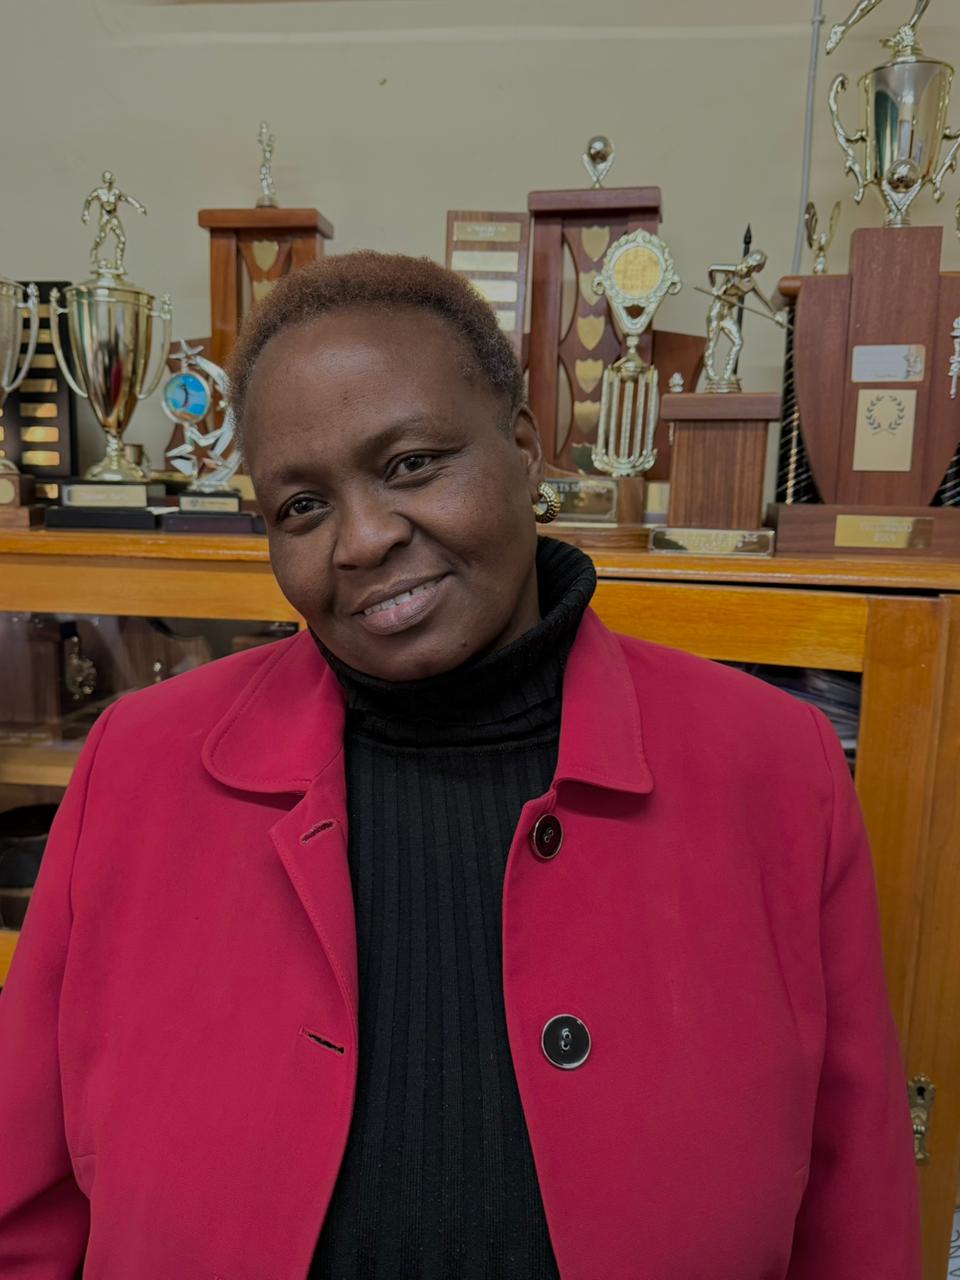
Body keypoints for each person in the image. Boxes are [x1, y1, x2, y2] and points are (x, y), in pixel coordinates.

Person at [0, 252, 919, 1279]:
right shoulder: (139, 769)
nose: (362, 540)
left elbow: (857, 1219)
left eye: (411, 464)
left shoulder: (775, 769)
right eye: (301, 506)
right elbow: (21, 1208)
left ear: (524, 449)